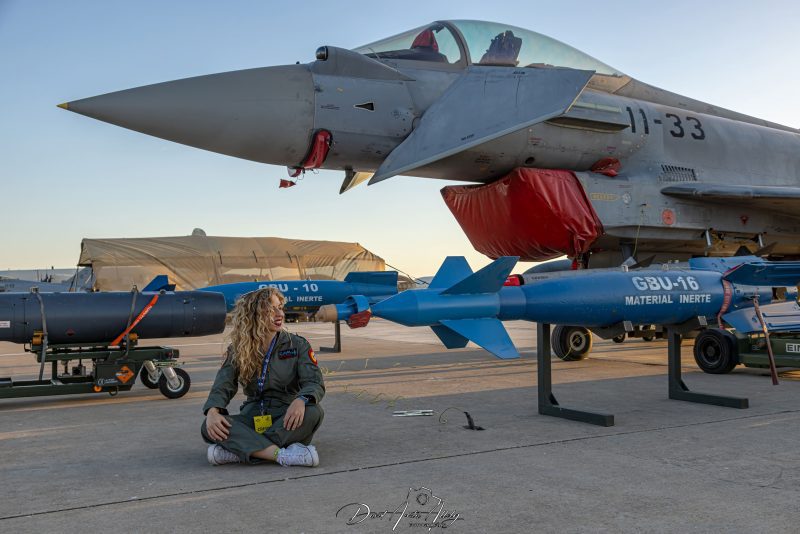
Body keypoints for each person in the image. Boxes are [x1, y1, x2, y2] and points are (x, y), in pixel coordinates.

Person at [201, 287, 325, 466]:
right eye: (271, 309)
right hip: (254, 414)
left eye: (280, 307)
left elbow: (314, 382)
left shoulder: (297, 345)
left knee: (314, 412)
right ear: (254, 314)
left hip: (287, 416)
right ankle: (280, 455)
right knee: (208, 427)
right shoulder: (238, 349)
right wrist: (213, 411)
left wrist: (301, 400)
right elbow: (223, 385)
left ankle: (240, 450)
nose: (279, 313)